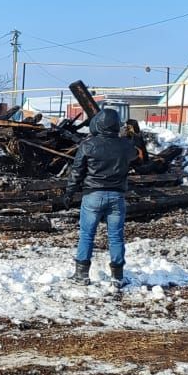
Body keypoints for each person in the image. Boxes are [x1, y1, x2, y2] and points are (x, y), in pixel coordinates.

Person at [62, 108, 138, 285]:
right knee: (116, 236)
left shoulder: (88, 145)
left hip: (93, 195)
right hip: (117, 196)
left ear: (97, 123)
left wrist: (69, 193)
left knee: (87, 235)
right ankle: (117, 277)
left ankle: (81, 275)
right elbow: (135, 156)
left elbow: (77, 172)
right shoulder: (126, 145)